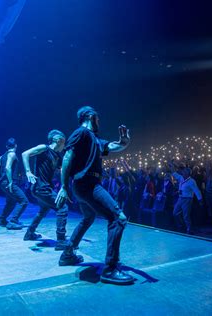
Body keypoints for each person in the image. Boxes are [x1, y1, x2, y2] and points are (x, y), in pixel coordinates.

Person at [55, 106, 134, 285]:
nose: (99, 121)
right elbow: (68, 157)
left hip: (84, 186)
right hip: (87, 184)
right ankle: (110, 269)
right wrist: (63, 186)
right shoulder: (81, 132)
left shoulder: (95, 139)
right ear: (90, 116)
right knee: (118, 218)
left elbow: (113, 146)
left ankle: (68, 253)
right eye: (97, 118)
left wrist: (124, 142)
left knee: (88, 217)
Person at [21, 130, 69, 250]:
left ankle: (29, 233)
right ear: (59, 140)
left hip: (43, 188)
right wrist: (28, 171)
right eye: (64, 142)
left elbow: (63, 169)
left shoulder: (58, 156)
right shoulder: (44, 148)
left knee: (43, 210)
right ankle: (61, 241)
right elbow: (25, 154)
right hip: (41, 187)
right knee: (62, 207)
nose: (65, 145)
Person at [0, 138, 28, 230]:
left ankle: (1, 219)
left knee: (11, 202)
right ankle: (13, 221)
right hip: (9, 182)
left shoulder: (2, 156)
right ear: (16, 146)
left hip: (3, 183)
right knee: (23, 201)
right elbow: (7, 168)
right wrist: (10, 181)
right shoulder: (12, 154)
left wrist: (0, 161)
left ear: (6, 146)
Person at [169, 164, 203, 234]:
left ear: (187, 173)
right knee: (175, 213)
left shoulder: (192, 181)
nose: (182, 172)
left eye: (184, 172)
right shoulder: (181, 178)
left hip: (187, 199)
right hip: (180, 198)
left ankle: (189, 229)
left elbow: (196, 190)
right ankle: (181, 225)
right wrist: (171, 165)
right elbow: (174, 173)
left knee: (186, 216)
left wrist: (200, 199)